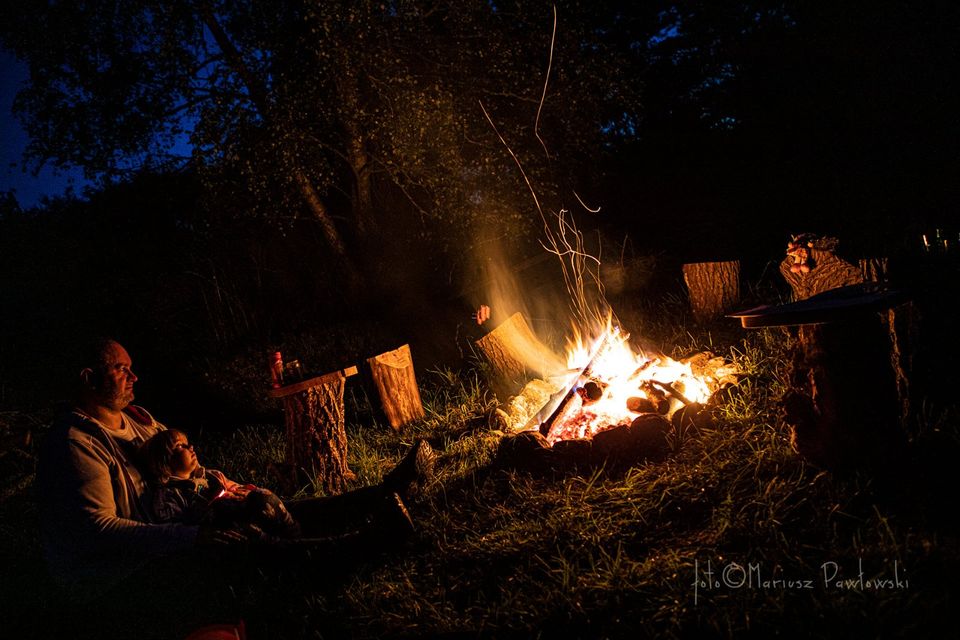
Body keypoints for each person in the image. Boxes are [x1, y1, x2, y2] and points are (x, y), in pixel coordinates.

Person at [37, 338, 435, 614]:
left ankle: (382, 494)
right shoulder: (75, 443)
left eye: (131, 368)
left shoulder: (137, 419)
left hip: (177, 523)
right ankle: (357, 546)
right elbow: (98, 530)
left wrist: (227, 488)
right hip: (121, 577)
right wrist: (191, 535)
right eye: (121, 370)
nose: (134, 378)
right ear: (89, 378)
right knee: (240, 544)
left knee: (267, 506)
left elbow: (183, 465)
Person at [138, 429, 301, 541]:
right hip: (225, 530)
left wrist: (244, 491)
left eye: (188, 443)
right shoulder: (169, 495)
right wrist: (205, 512)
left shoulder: (211, 476)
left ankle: (292, 530)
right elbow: (176, 526)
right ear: (164, 463)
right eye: (180, 446)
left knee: (262, 496)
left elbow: (234, 486)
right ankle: (280, 545)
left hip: (244, 512)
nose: (190, 447)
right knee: (244, 526)